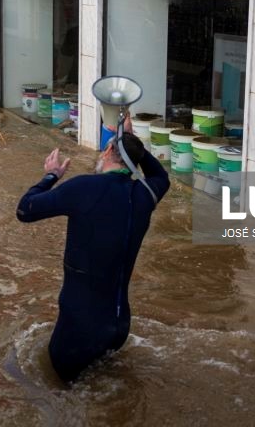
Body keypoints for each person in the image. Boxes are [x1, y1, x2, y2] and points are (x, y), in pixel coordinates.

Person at [16, 115, 170, 382]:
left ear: (109, 150)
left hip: (79, 327)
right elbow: (160, 175)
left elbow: (25, 209)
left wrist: (51, 175)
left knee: (59, 390)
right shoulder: (145, 194)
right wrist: (133, 144)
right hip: (119, 326)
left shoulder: (83, 187)